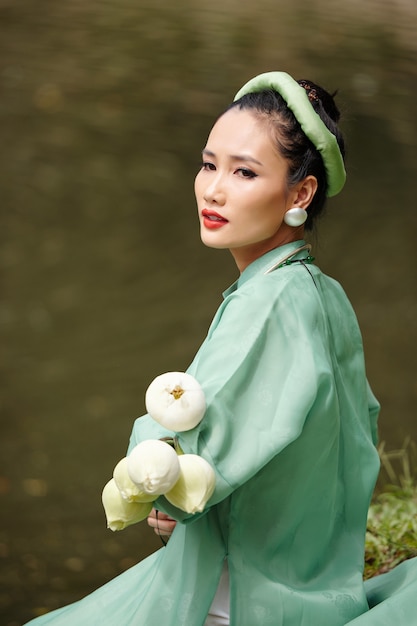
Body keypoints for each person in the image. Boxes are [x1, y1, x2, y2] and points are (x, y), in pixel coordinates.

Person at [24, 71, 417, 626]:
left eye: (245, 172)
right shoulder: (321, 293)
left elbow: (183, 465)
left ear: (300, 193)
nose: (213, 189)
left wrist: (158, 494)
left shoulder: (266, 306)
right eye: (209, 164)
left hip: (240, 596)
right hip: (313, 576)